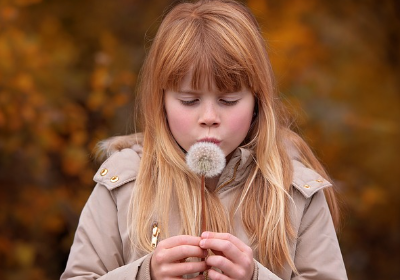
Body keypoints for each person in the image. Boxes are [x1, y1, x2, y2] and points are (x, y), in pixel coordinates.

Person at [61, 0, 348, 279]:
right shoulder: (122, 187)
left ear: (257, 102)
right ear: (160, 102)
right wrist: (143, 275)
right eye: (189, 100)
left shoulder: (296, 194)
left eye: (228, 100)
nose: (209, 116)